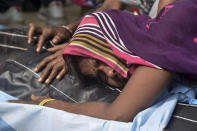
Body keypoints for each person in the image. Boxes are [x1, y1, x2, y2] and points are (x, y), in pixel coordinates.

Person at [9, 0, 197, 122]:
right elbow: (111, 7)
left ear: (116, 38)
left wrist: (47, 105)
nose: (110, 72)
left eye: (102, 61)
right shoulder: (160, 22)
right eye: (101, 76)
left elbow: (118, 114)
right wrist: (73, 33)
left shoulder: (169, 28)